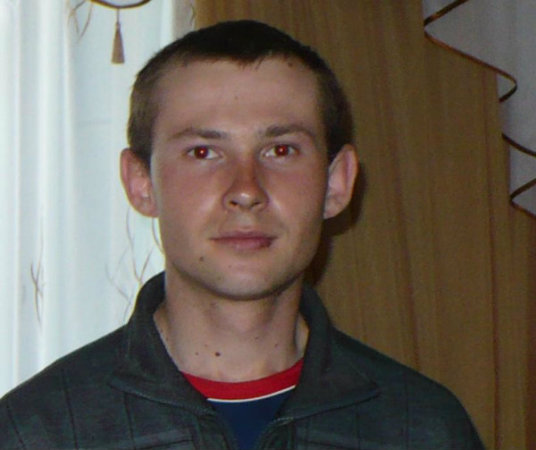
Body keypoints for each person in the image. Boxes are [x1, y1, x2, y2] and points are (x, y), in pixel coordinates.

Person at [0, 20, 484, 449]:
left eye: (281, 150)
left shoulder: (422, 430)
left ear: (337, 183)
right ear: (141, 183)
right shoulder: (36, 432)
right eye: (203, 153)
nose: (246, 190)